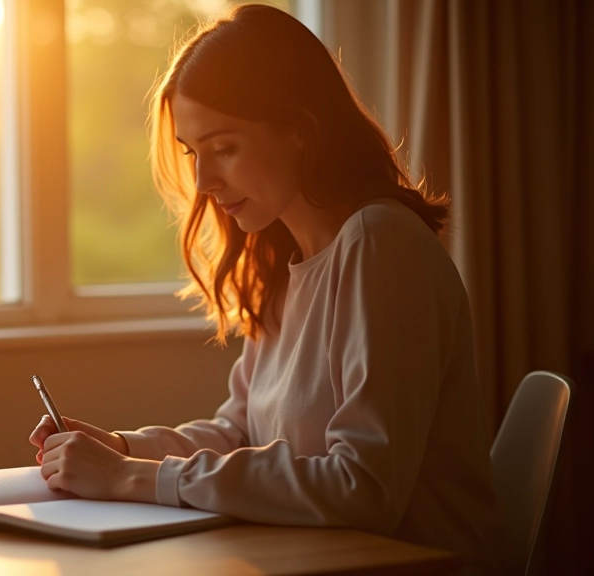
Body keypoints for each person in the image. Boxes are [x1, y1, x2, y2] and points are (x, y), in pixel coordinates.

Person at [30, 5, 502, 575]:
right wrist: (124, 449)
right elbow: (241, 432)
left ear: (300, 130)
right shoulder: (284, 261)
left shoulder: (380, 246)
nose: (202, 183)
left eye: (223, 147)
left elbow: (365, 487)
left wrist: (134, 478)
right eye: (192, 152)